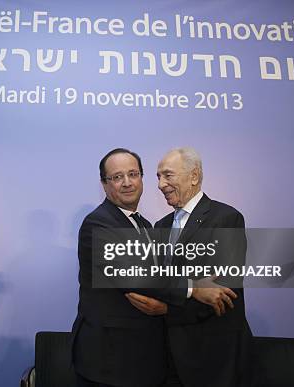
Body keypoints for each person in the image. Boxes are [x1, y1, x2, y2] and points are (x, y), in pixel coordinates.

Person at [71, 148, 236, 387]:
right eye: (117, 177)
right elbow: (135, 275)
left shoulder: (149, 226)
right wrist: (194, 288)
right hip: (109, 362)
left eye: (133, 174)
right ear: (104, 184)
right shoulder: (99, 223)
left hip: (152, 360)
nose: (127, 183)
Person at [127, 147, 252, 387]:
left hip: (213, 356)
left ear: (194, 176)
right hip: (168, 355)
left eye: (168, 175)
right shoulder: (161, 226)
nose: (161, 184)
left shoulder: (226, 218)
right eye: (158, 177)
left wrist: (167, 310)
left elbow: (225, 291)